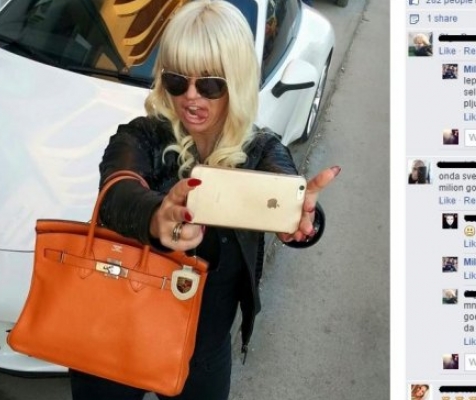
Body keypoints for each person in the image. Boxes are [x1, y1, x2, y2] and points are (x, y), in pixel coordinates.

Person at [68, 2, 338, 400]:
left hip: (203, 354)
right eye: (177, 80)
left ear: (237, 80)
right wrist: (156, 216)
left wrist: (303, 221)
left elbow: (289, 191)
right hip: (115, 336)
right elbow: (118, 191)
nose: (191, 96)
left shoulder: (261, 150)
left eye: (209, 84)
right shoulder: (141, 135)